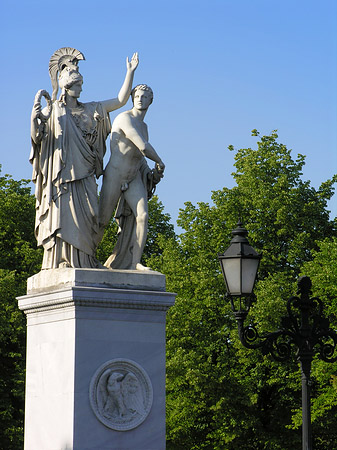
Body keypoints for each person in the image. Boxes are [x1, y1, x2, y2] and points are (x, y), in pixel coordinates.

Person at [30, 47, 138, 269]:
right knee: (62, 216)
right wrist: (35, 119)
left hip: (86, 174)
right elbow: (38, 138)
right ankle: (60, 260)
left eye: (81, 85)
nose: (80, 89)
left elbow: (120, 100)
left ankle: (85, 260)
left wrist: (130, 72)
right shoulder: (55, 111)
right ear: (65, 85)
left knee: (89, 218)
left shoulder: (92, 108)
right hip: (62, 176)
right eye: (76, 85)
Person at [98, 84, 165, 270]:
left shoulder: (144, 126)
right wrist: (159, 161)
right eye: (137, 96)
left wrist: (152, 174)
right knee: (102, 221)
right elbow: (142, 146)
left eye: (144, 97)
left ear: (151, 101)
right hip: (115, 175)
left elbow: (138, 157)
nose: (140, 99)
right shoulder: (124, 118)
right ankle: (87, 257)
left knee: (142, 216)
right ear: (132, 98)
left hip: (133, 176)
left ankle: (135, 262)